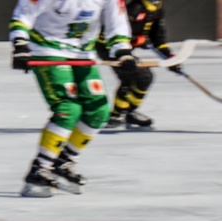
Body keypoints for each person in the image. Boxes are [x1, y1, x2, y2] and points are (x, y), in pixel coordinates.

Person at [10, 0, 135, 197]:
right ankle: (39, 170)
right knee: (68, 108)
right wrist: (20, 45)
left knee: (99, 111)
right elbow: (24, 14)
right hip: (47, 50)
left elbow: (116, 23)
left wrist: (123, 51)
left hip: (83, 53)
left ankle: (62, 163)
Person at [100, 0, 183, 129]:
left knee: (145, 78)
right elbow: (117, 29)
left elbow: (157, 37)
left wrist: (170, 58)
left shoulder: (157, 9)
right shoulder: (135, 7)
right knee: (132, 76)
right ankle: (117, 115)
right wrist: (137, 39)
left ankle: (129, 112)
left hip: (125, 48)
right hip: (109, 46)